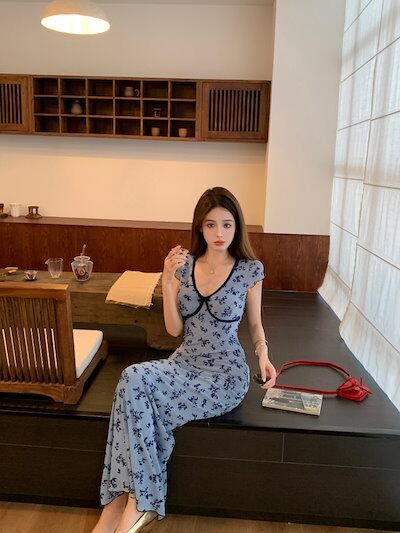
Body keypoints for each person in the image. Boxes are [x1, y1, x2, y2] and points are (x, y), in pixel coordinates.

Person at [92, 187, 277, 533]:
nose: (219, 233)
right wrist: (166, 281)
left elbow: (255, 324)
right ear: (199, 227)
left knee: (137, 399)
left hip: (224, 376)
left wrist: (264, 355)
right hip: (184, 363)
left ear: (237, 227)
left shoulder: (249, 270)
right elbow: (174, 330)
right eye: (211, 225)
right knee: (132, 379)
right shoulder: (184, 266)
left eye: (227, 224)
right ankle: (129, 501)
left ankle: (129, 502)